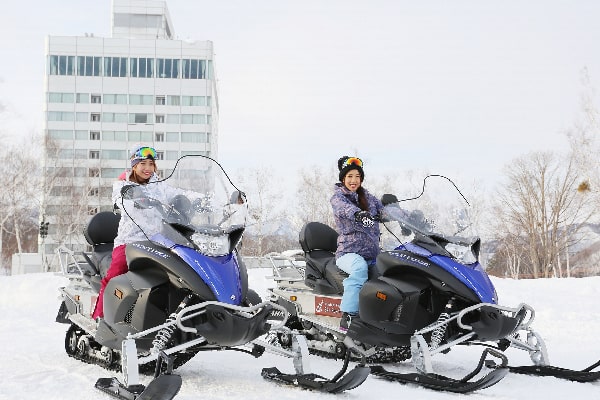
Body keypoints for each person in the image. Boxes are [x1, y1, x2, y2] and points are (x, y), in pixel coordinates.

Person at [92, 145, 162, 320]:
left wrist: (197, 203)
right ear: (134, 165)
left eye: (151, 164)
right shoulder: (123, 184)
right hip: (129, 241)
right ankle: (100, 317)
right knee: (116, 272)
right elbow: (120, 200)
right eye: (143, 163)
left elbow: (173, 198)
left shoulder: (159, 187)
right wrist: (133, 200)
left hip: (156, 242)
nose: (147, 168)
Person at [330, 156, 384, 331]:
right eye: (350, 176)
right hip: (348, 253)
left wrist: (407, 217)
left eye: (357, 177)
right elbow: (344, 209)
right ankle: (349, 315)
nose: (354, 180)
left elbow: (385, 210)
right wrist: (359, 214)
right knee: (359, 268)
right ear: (343, 179)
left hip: (372, 253)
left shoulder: (368, 197)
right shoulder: (338, 197)